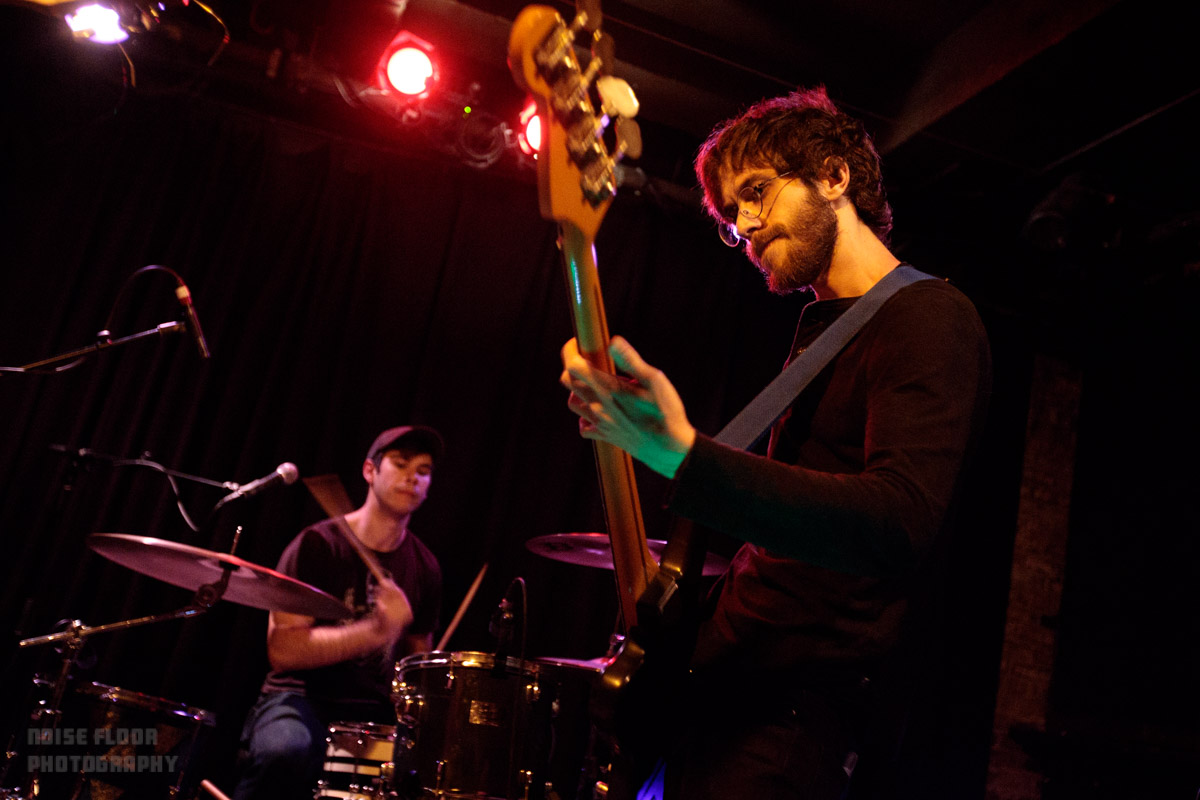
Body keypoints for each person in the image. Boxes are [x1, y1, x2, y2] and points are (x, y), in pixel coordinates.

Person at [560, 86, 992, 799]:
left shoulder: (929, 318)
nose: (745, 225)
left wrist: (686, 456)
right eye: (732, 215)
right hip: (725, 704)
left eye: (757, 192)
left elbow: (899, 520)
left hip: (788, 723)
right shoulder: (823, 334)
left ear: (834, 176)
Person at [232, 425, 444, 800]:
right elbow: (284, 651)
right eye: (400, 464)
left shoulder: (425, 568)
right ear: (369, 471)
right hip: (299, 698)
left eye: (423, 471)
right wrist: (375, 631)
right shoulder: (317, 545)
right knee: (287, 752)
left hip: (374, 711)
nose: (413, 477)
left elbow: (417, 664)